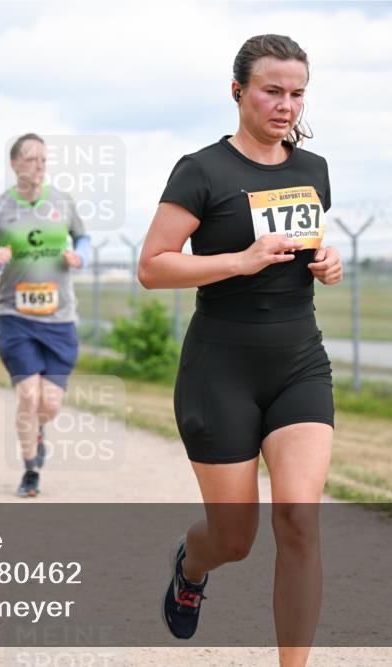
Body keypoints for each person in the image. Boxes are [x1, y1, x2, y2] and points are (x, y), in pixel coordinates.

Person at [137, 35, 343, 664]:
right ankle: (191, 565)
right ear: (239, 93)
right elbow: (152, 266)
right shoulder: (202, 171)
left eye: (297, 93)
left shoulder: (313, 170)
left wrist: (328, 262)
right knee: (234, 539)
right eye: (272, 91)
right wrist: (238, 261)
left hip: (298, 362)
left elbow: (306, 249)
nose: (286, 105)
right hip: (220, 369)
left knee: (300, 522)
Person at [0, 133, 91, 498]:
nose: (39, 166)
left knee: (49, 403)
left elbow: (82, 238)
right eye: (32, 159)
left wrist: (79, 256)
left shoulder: (62, 202)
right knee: (27, 395)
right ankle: (30, 469)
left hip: (60, 319)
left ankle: (38, 430)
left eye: (43, 160)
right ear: (15, 164)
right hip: (15, 317)